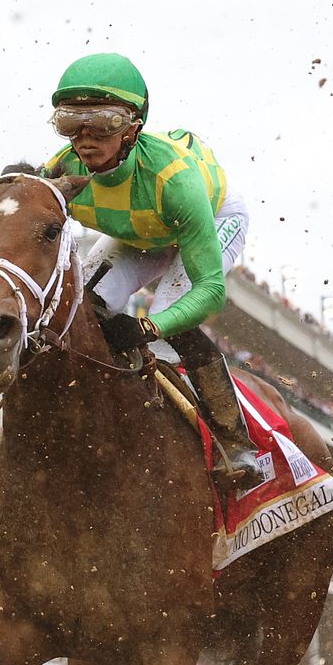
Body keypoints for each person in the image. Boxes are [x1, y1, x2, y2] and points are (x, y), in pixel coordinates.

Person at [41, 52, 259, 493]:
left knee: (167, 324)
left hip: (207, 218)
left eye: (101, 124)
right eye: (70, 123)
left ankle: (234, 444)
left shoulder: (175, 180)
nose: (84, 140)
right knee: (81, 310)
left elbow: (211, 292)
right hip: (138, 232)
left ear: (133, 128)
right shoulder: (61, 170)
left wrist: (146, 325)